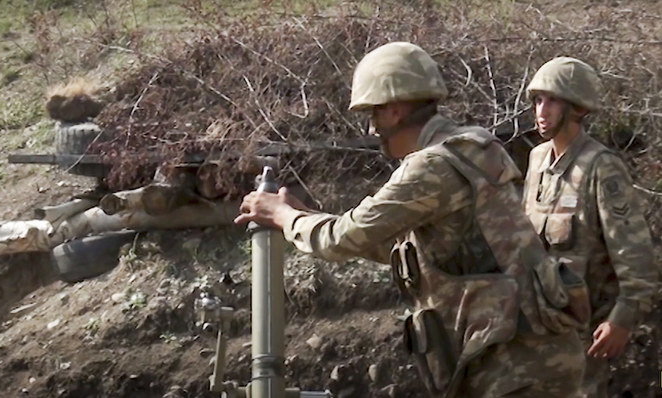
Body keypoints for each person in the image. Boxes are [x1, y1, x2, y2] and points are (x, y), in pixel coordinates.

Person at [236, 42, 587, 397]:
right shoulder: (474, 148)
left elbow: (342, 238)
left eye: (373, 116)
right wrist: (304, 216)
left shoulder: (432, 166)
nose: (372, 131)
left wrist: (282, 215)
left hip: (514, 368)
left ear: (394, 110)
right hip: (531, 359)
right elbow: (406, 251)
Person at [523, 56, 658, 398]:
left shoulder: (602, 168)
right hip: (534, 327)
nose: (542, 110)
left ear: (578, 109)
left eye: (552, 100)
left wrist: (622, 319)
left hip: (583, 335)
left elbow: (635, 256)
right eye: (538, 100)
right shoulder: (536, 160)